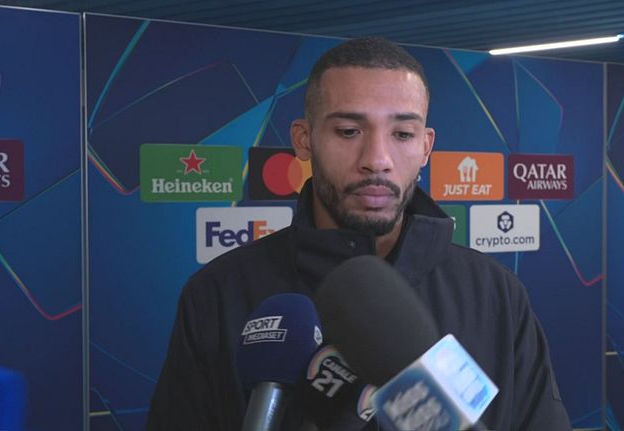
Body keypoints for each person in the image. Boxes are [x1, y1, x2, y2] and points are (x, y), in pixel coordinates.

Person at [146, 36, 572, 430]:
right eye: (349, 131)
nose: (377, 158)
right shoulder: (218, 294)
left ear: (425, 147)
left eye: (402, 134)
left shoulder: (496, 295)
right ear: (304, 139)